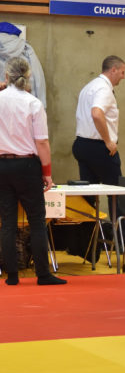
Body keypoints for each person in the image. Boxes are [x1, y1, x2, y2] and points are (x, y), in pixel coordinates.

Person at [0, 57, 66, 285]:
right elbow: (42, 142)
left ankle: (11, 276)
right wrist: (47, 172)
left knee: (7, 222)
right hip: (27, 165)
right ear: (29, 76)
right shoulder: (33, 103)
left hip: (2, 165)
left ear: (6, 76)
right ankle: (43, 274)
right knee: (37, 221)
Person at [72, 55, 125, 221]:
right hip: (99, 147)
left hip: (82, 144)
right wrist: (108, 141)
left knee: (88, 194)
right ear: (113, 70)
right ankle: (121, 235)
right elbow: (96, 113)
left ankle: (89, 236)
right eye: (122, 72)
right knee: (116, 193)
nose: (123, 76)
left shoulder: (89, 86)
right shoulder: (104, 89)